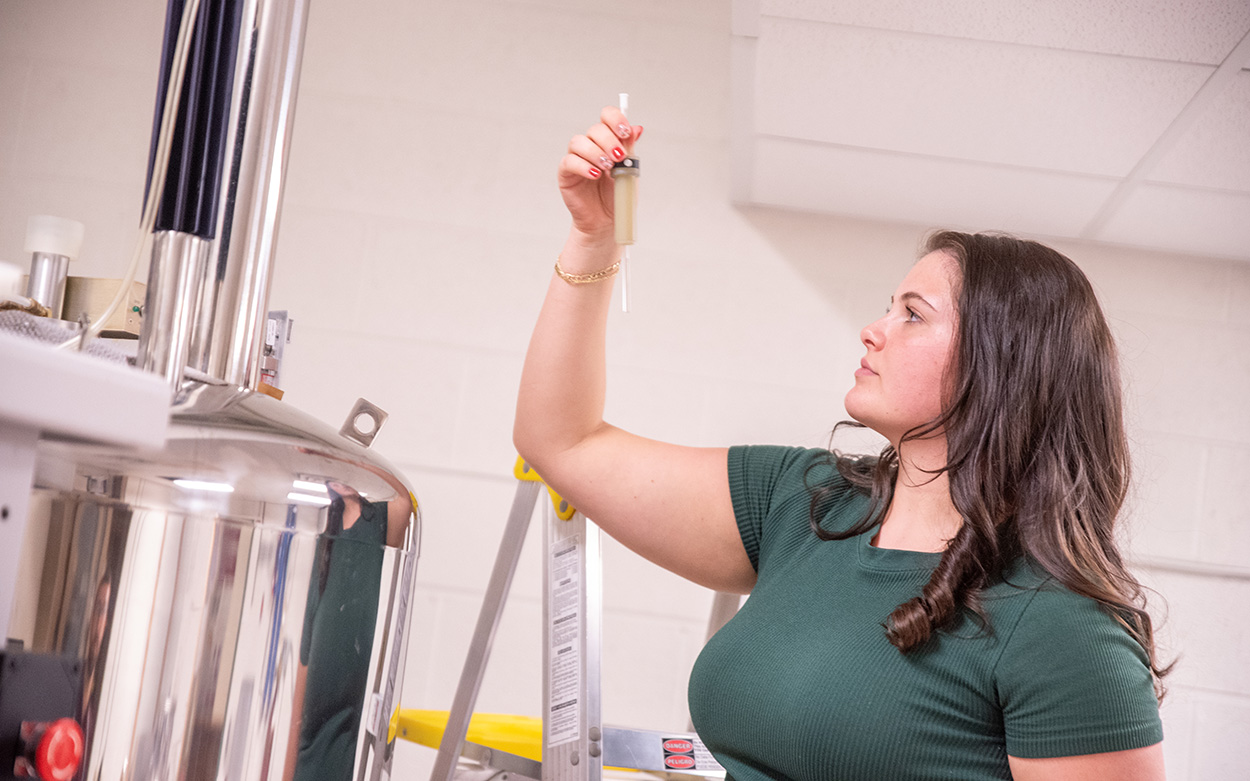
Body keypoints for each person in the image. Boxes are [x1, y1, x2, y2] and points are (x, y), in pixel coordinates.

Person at [513, 106, 1169, 781]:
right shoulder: (807, 505)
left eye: (913, 314)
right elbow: (559, 441)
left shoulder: (1062, 627)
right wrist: (597, 237)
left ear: (1001, 364)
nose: (872, 329)